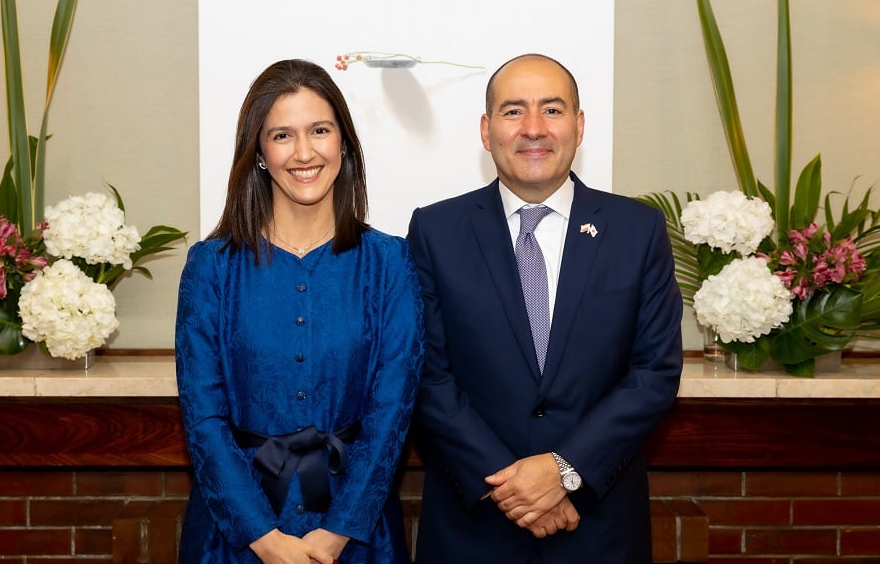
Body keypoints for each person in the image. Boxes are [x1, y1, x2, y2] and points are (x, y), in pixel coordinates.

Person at [406, 53, 684, 563]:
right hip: (476, 525)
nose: (533, 128)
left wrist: (561, 469)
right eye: (513, 111)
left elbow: (654, 372)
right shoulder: (435, 231)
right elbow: (427, 375)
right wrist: (515, 488)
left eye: (552, 110)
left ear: (579, 127)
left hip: (599, 528)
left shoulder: (637, 230)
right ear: (486, 131)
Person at [175, 59, 424, 564]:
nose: (304, 152)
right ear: (260, 152)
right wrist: (263, 539)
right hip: (236, 533)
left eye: (320, 131)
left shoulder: (390, 262)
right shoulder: (211, 267)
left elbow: (391, 414)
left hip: (356, 533)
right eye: (283, 135)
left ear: (344, 143)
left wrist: (337, 533)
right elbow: (203, 417)